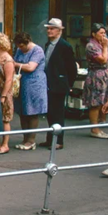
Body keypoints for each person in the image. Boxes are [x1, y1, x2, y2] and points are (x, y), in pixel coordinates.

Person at [41, 18, 79, 148]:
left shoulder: (64, 46)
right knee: (50, 113)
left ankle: (58, 141)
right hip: (49, 83)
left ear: (59, 30)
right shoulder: (48, 44)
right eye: (48, 28)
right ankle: (50, 138)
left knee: (57, 113)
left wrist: (68, 84)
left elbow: (71, 67)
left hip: (58, 84)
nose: (49, 31)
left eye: (52, 28)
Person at [13, 32, 47, 150]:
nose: (20, 48)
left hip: (34, 83)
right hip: (22, 83)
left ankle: (31, 140)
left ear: (27, 43)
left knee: (32, 112)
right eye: (18, 46)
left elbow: (31, 67)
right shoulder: (19, 50)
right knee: (23, 111)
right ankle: (25, 138)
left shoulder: (37, 50)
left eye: (22, 46)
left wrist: (16, 64)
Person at [83, 22, 108, 140]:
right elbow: (102, 60)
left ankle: (98, 126)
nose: (103, 36)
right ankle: (94, 129)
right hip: (96, 77)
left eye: (104, 33)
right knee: (95, 103)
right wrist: (105, 47)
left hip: (104, 76)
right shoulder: (91, 46)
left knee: (101, 102)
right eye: (101, 33)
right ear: (94, 34)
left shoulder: (100, 44)